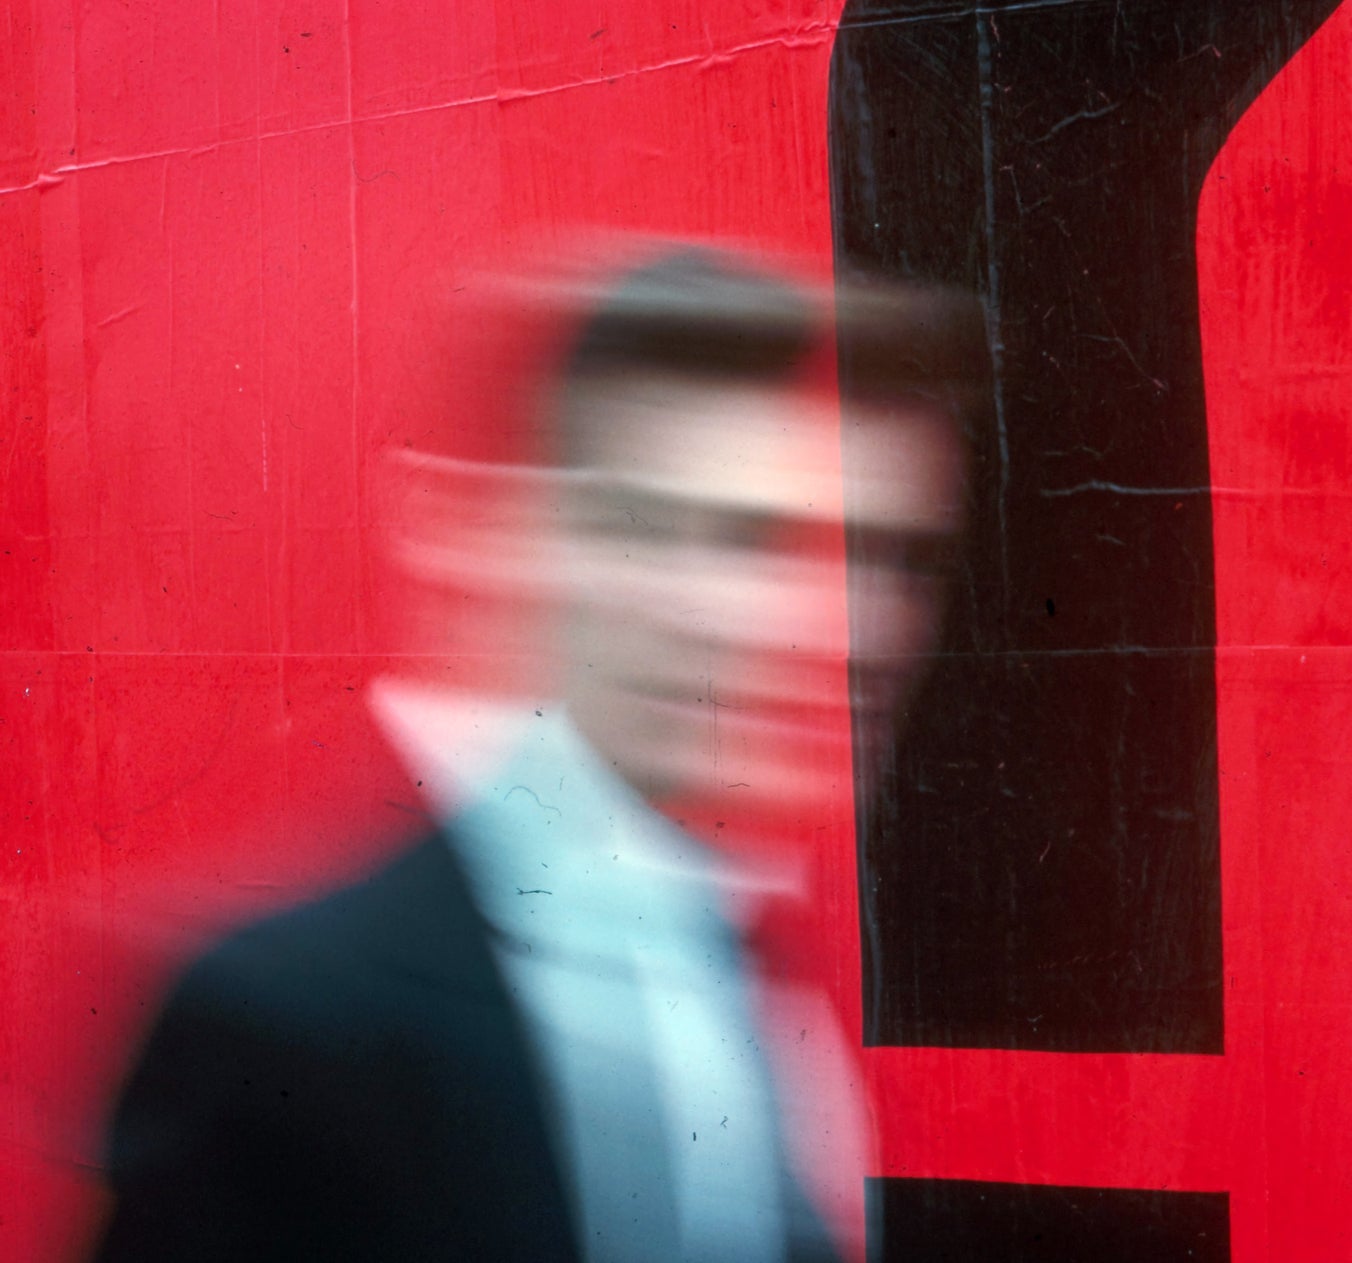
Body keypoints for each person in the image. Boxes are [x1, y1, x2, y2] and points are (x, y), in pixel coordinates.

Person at [90, 247, 967, 1263]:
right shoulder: (283, 1017)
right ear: (525, 541)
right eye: (745, 539)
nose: (853, 629)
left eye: (889, 554)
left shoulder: (741, 965)